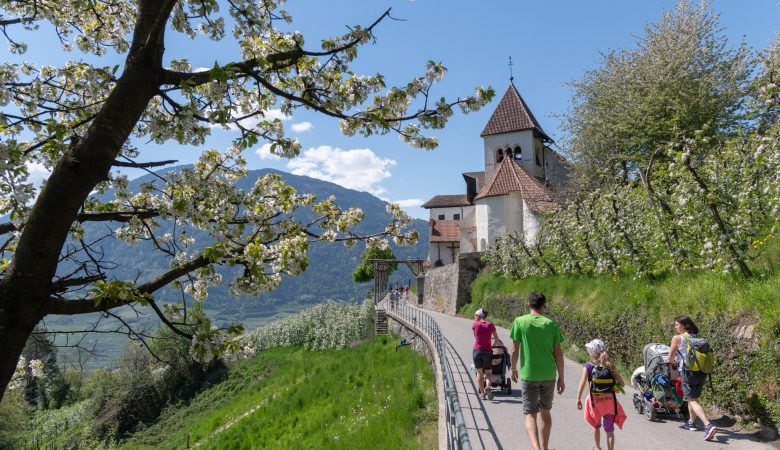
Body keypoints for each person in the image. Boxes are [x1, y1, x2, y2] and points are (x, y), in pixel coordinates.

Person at [510, 292, 565, 450]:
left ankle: (536, 448)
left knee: (530, 414)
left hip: (529, 375)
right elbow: (559, 353)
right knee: (545, 413)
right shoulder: (551, 324)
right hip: (548, 375)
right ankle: (544, 448)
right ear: (543, 306)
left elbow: (514, 349)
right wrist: (561, 377)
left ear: (529, 305)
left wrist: (513, 368)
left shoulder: (520, 322)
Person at [668, 316, 718, 441]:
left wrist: (673, 363)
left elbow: (670, 357)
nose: (675, 327)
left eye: (677, 324)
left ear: (684, 325)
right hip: (702, 371)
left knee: (691, 400)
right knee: (693, 398)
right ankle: (691, 422)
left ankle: (708, 425)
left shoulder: (677, 338)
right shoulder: (697, 337)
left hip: (688, 371)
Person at [576, 339, 627, 450]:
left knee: (596, 426)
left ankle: (597, 447)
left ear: (592, 352)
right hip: (609, 402)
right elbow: (622, 384)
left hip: (595, 402)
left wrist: (578, 398)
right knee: (609, 430)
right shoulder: (610, 365)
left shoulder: (588, 366)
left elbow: (583, 382)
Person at [472, 308, 499, 400]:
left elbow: (475, 336)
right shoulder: (490, 325)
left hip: (477, 351)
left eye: (475, 315)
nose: (475, 317)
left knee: (479, 373)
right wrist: (492, 346)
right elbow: (496, 339)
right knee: (488, 373)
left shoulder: (475, 324)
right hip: (487, 351)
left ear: (479, 316)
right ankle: (488, 386)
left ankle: (482, 394)